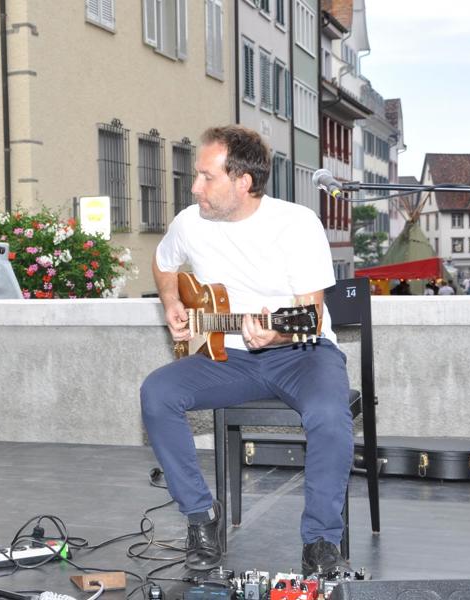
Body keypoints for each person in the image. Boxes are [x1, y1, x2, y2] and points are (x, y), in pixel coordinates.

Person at [140, 125, 351, 576]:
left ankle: (320, 540)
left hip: (302, 353)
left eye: (206, 177)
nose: (195, 187)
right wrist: (172, 302)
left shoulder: (295, 224)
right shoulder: (189, 222)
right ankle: (202, 517)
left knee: (330, 418)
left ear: (244, 182)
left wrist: (276, 335)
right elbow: (163, 262)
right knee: (157, 394)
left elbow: (310, 317)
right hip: (227, 356)